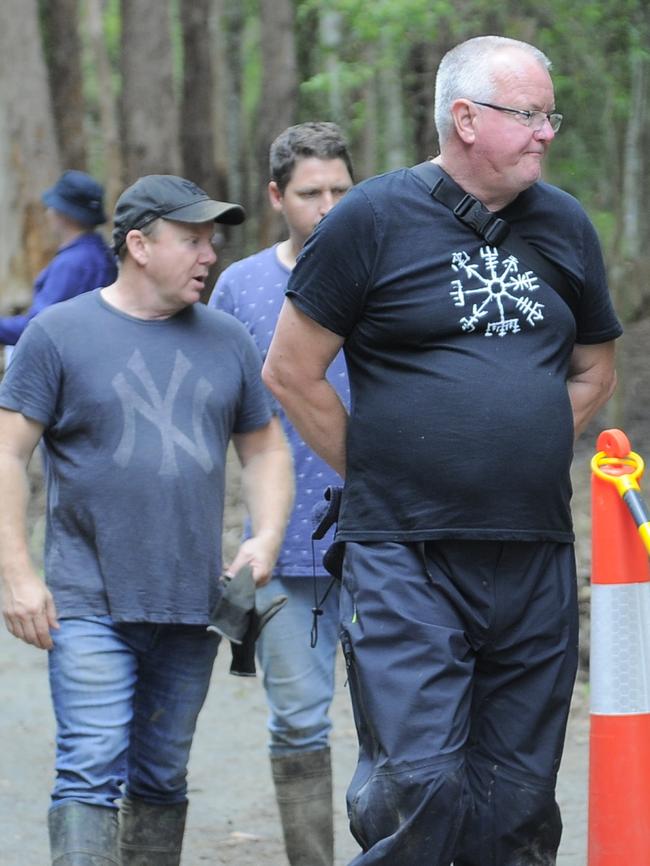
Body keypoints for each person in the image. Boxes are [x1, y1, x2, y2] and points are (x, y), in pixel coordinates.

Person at [262, 36, 622, 866]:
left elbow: (595, 370)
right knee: (418, 784)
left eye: (550, 115)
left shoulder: (564, 224)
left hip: (532, 551)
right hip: (404, 554)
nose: (546, 133)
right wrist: (390, 474)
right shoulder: (370, 219)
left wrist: (514, 447)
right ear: (465, 118)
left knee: (520, 798)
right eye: (529, 115)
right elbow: (291, 371)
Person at [0, 174, 294, 866]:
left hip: (193, 604)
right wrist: (17, 573)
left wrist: (268, 534)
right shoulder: (59, 333)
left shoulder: (226, 340)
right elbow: (8, 452)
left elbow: (265, 448)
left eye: (212, 240)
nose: (208, 254)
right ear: (138, 244)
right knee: (90, 772)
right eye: (191, 239)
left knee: (162, 778)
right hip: (88, 600)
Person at [209, 121, 354, 866]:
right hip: (289, 546)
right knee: (299, 723)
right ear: (276, 198)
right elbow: (221, 418)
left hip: (392, 541)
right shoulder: (240, 288)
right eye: (310, 193)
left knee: (402, 725)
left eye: (340, 190)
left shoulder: (388, 269)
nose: (327, 206)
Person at [0, 170, 117, 364]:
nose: (48, 213)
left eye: (51, 207)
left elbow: (38, 328)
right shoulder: (100, 254)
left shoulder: (72, 264)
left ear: (61, 214)